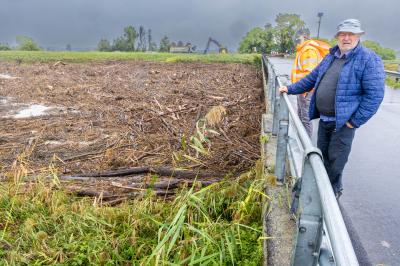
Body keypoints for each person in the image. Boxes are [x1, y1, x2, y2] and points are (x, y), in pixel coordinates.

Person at [280, 19, 385, 199]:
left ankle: (331, 198)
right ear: (337, 37)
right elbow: (311, 78)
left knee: (336, 163)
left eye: (351, 34)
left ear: (358, 36)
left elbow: (374, 96)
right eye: (342, 34)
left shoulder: (368, 59)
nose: (346, 38)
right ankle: (321, 195)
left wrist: (354, 122)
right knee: (322, 158)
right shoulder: (331, 56)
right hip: (326, 120)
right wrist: (290, 89)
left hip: (344, 124)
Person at [291, 28, 330, 136]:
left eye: (298, 36)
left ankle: (306, 146)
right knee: (302, 116)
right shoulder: (303, 49)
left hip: (306, 91)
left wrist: (304, 90)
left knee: (305, 118)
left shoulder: (308, 50)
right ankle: (301, 139)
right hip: (302, 90)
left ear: (304, 36)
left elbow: (309, 74)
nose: (296, 39)